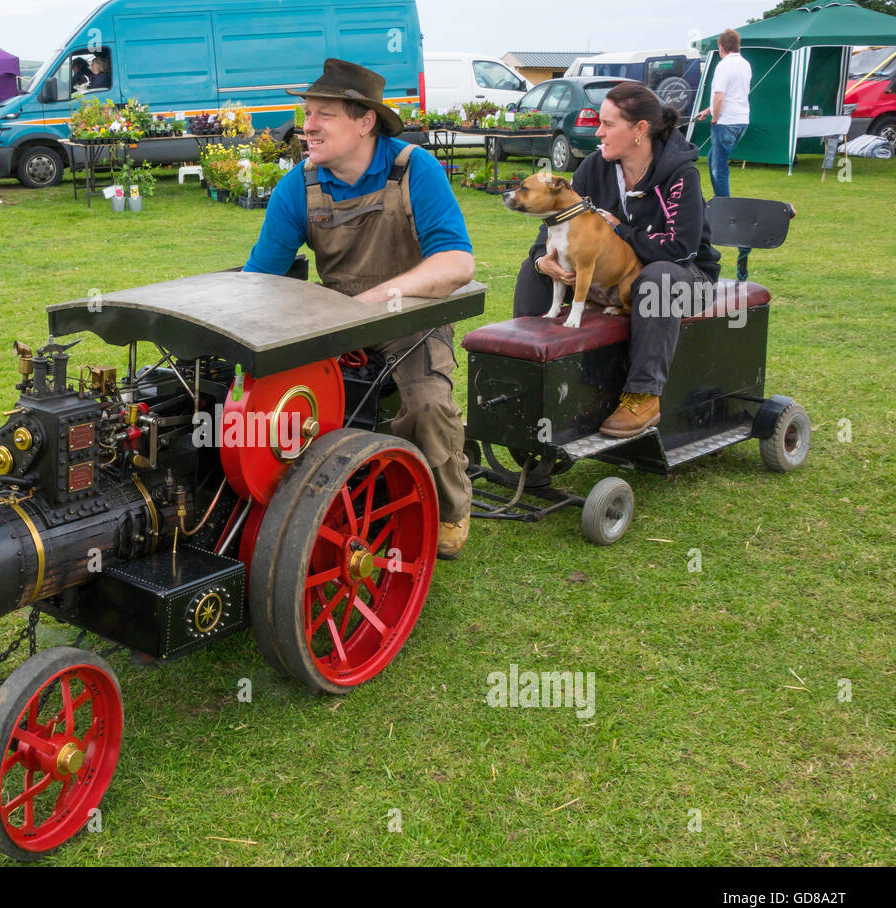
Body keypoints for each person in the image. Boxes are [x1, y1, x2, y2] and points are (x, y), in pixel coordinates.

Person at [243, 59, 476, 558]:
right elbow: (260, 279)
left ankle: (452, 509)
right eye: (307, 113)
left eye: (323, 114)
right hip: (333, 326)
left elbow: (457, 264)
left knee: (428, 404)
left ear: (365, 121)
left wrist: (377, 299)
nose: (307, 126)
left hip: (410, 321)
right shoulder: (298, 187)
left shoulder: (414, 169)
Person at [512, 81, 720, 439]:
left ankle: (644, 395)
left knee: (656, 279)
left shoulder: (681, 174)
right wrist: (541, 261)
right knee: (534, 272)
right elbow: (555, 225)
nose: (598, 131)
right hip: (617, 278)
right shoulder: (595, 167)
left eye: (608, 124)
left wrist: (621, 230)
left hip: (689, 277)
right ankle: (528, 374)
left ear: (640, 130)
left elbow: (680, 249)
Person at [696, 28, 752, 280]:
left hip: (726, 122)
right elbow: (731, 96)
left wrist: (715, 118)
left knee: (719, 167)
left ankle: (723, 206)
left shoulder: (722, 66)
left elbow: (720, 96)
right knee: (712, 160)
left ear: (721, 47)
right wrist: (707, 111)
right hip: (742, 121)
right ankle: (721, 199)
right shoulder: (745, 64)